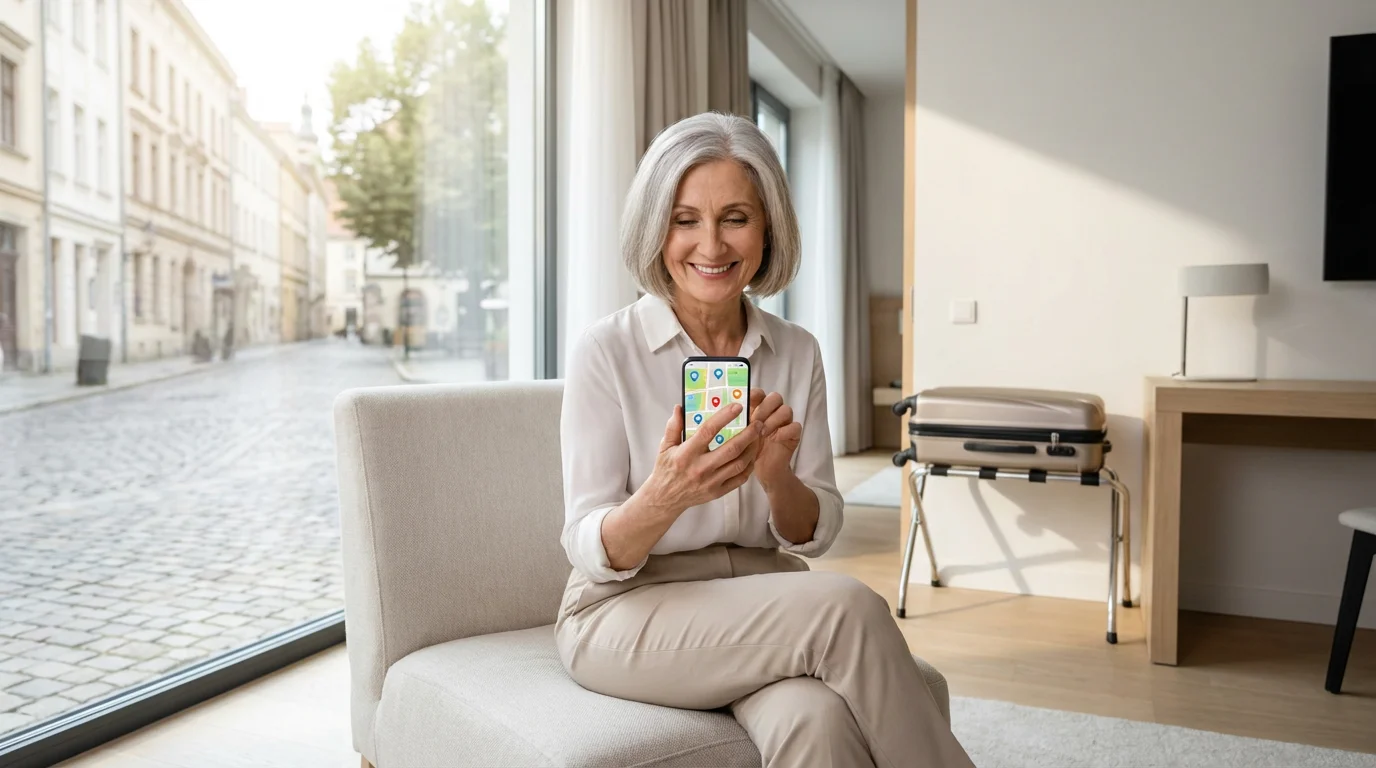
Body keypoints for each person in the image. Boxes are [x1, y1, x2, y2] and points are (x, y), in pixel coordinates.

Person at [557, 112, 973, 767]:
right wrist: (664, 497)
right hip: (625, 614)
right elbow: (585, 541)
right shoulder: (607, 351)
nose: (712, 245)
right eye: (685, 218)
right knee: (847, 608)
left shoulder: (795, 350)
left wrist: (778, 478)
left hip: (758, 602)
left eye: (736, 217)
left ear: (768, 226)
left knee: (817, 723)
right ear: (655, 227)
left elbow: (817, 527)